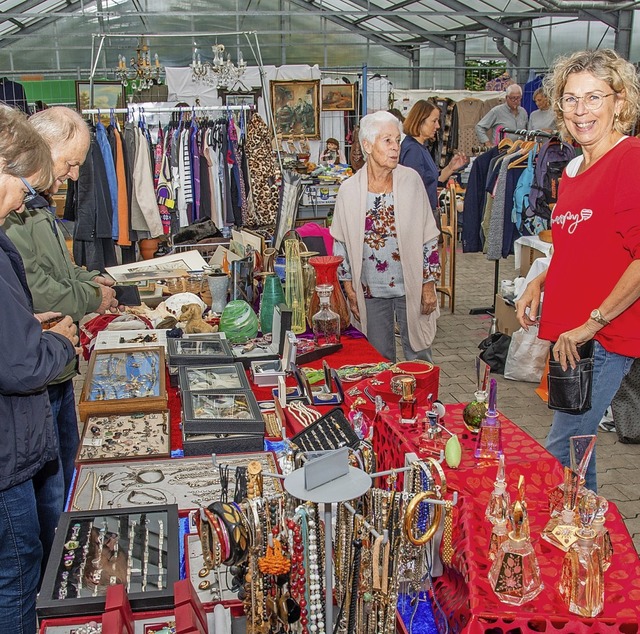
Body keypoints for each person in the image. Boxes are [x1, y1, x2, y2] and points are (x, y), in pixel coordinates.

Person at [515, 48, 640, 492]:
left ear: (619, 101)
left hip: (605, 334)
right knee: (579, 442)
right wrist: (538, 279)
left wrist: (593, 323)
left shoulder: (629, 159)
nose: (580, 110)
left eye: (593, 98)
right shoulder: (572, 169)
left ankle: (555, 539)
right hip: (574, 333)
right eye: (570, 99)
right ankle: (591, 541)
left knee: (561, 445)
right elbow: (574, 246)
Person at [3, 106, 118, 579]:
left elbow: (57, 275)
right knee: (34, 533)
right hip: (32, 384)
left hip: (44, 370)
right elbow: (40, 288)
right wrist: (90, 297)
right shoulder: (17, 213)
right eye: (69, 164)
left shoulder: (38, 207)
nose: (72, 176)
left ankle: (65, 569)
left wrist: (91, 283)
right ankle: (62, 577)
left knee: (62, 483)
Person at [0, 104, 78, 634]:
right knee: (18, 575)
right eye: (23, 188)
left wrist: (28, 324)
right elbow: (21, 363)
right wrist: (60, 344)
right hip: (7, 450)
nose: (25, 201)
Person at [331, 111, 441, 363]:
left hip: (411, 285)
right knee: (379, 359)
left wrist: (428, 285)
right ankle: (385, 404)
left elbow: (428, 237)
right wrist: (350, 291)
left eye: (397, 141)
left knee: (419, 354)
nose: (395, 148)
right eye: (387, 141)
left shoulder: (411, 181)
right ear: (367, 145)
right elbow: (341, 247)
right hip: (370, 289)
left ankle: (423, 402)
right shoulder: (348, 191)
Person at [400, 99, 468, 227]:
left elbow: (431, 181)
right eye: (434, 121)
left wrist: (450, 168)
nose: (437, 126)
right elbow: (413, 190)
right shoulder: (413, 150)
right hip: (418, 219)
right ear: (420, 121)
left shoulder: (420, 147)